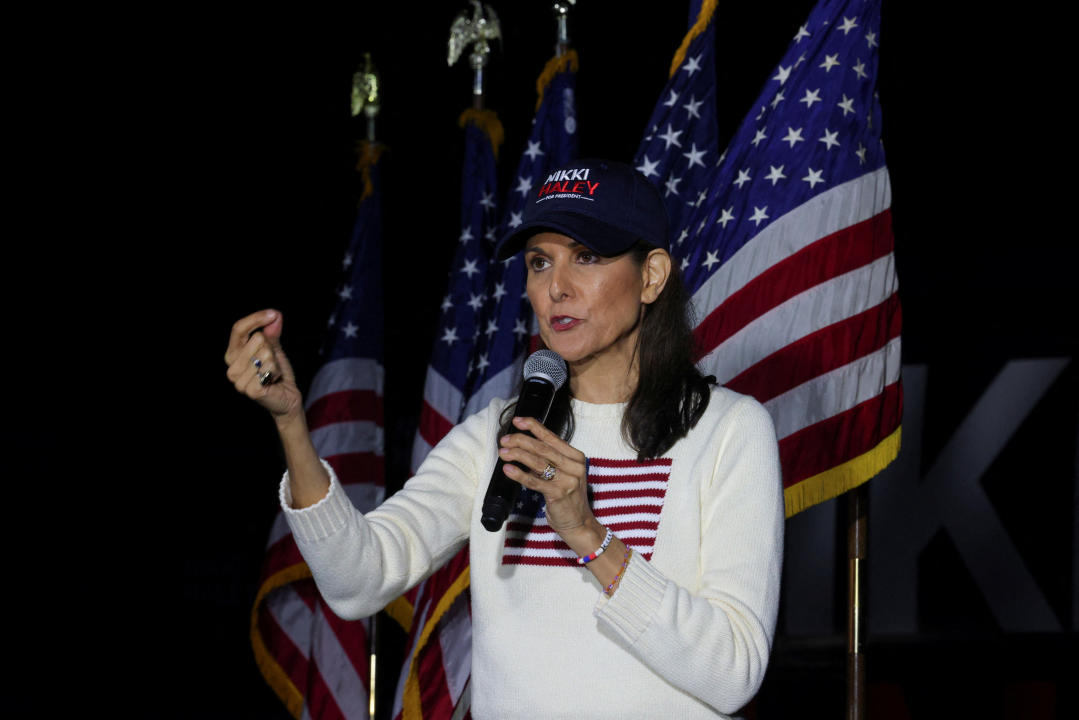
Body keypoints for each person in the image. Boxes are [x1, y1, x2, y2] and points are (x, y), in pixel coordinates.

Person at [225, 158, 784, 719]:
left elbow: (733, 672)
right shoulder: (496, 433)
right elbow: (358, 581)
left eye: (586, 257)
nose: (556, 288)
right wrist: (291, 422)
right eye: (540, 262)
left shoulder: (729, 431)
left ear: (651, 276)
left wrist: (587, 535)